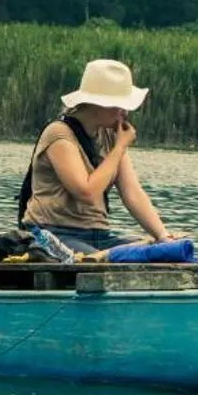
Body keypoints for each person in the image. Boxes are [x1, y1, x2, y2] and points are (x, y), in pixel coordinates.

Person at [17, 59, 180, 254]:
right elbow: (86, 192)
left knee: (160, 252)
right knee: (103, 261)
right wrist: (119, 148)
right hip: (53, 233)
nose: (124, 113)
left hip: (98, 235)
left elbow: (132, 193)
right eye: (119, 106)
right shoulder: (59, 135)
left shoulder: (110, 137)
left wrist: (163, 236)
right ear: (97, 104)